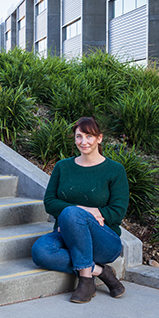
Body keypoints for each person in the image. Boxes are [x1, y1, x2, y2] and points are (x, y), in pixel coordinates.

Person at [31, 117, 128, 303]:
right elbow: (49, 202)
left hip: (104, 241)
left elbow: (117, 211)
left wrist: (77, 216)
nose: (83, 142)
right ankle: (100, 271)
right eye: (79, 136)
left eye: (89, 136)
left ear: (99, 138)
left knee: (70, 212)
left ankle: (85, 280)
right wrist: (76, 216)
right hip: (66, 235)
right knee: (40, 251)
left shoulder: (115, 170)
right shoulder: (63, 167)